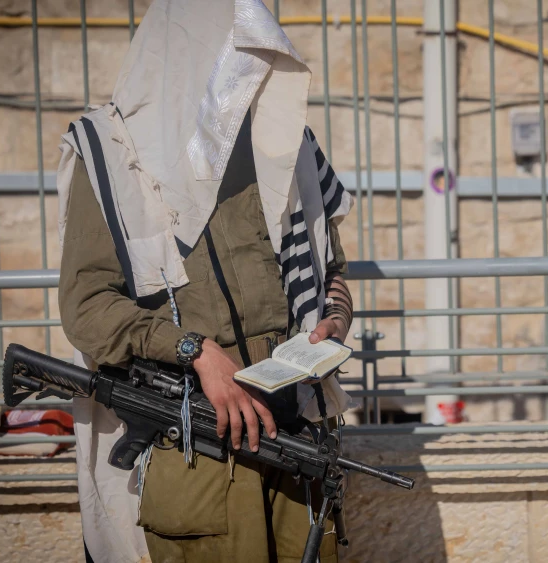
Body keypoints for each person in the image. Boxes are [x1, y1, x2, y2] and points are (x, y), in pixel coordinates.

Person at [54, 1, 355, 561]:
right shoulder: (114, 155)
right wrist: (197, 352)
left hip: (295, 440)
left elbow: (331, 268)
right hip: (195, 447)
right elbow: (87, 307)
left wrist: (334, 317)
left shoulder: (287, 146)